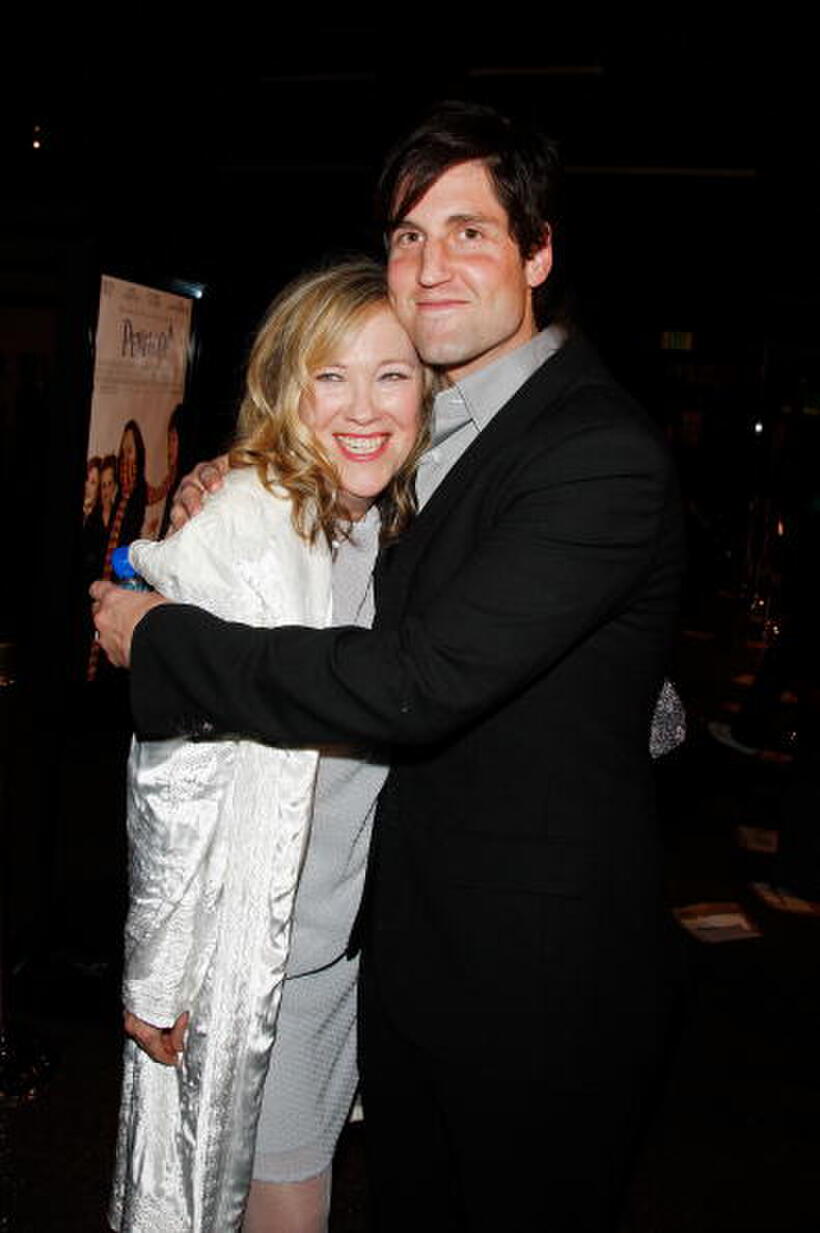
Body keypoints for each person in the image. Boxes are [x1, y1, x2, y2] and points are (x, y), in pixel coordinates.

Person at [93, 101, 686, 1232]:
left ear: (539, 252)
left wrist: (160, 633)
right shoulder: (426, 447)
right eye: (409, 234)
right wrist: (248, 472)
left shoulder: (591, 451)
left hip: (532, 982)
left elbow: (419, 679)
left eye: (470, 231)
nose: (430, 262)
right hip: (388, 953)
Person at [106, 260, 428, 1233]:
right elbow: (173, 774)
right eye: (331, 376)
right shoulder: (244, 523)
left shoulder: (390, 527)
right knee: (290, 1211)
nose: (363, 407)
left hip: (338, 964)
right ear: (285, 387)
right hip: (256, 969)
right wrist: (158, 974)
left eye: (394, 374)